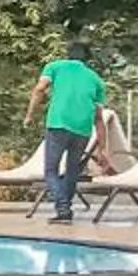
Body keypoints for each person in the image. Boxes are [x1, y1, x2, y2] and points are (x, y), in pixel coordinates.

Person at [24, 36, 109, 222]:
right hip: (83, 129)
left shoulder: (54, 67)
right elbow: (99, 119)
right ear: (87, 58)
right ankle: (65, 211)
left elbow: (39, 89)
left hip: (59, 124)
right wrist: (102, 149)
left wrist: (30, 115)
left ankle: (63, 208)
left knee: (50, 170)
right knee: (72, 171)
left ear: (68, 54)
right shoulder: (96, 80)